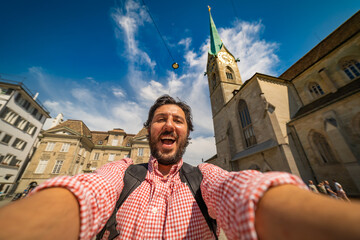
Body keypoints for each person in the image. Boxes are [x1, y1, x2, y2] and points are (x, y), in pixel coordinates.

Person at [0, 94, 360, 240]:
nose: (169, 124)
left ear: (187, 133)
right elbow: (86, 192)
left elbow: (245, 192)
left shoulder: (206, 176)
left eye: (177, 120)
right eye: (159, 119)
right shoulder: (123, 171)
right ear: (150, 131)